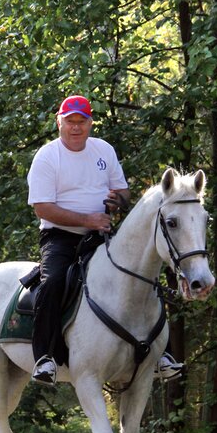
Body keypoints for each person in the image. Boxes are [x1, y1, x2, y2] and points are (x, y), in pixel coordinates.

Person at [27, 95, 183, 386]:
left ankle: (163, 355)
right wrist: (87, 220)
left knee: (142, 277)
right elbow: (42, 208)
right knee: (53, 282)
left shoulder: (104, 150)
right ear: (59, 122)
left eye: (82, 121)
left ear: (90, 123)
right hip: (60, 237)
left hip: (100, 235)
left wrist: (117, 200)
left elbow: (122, 192)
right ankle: (45, 357)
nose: (76, 127)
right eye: (70, 121)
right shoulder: (47, 157)